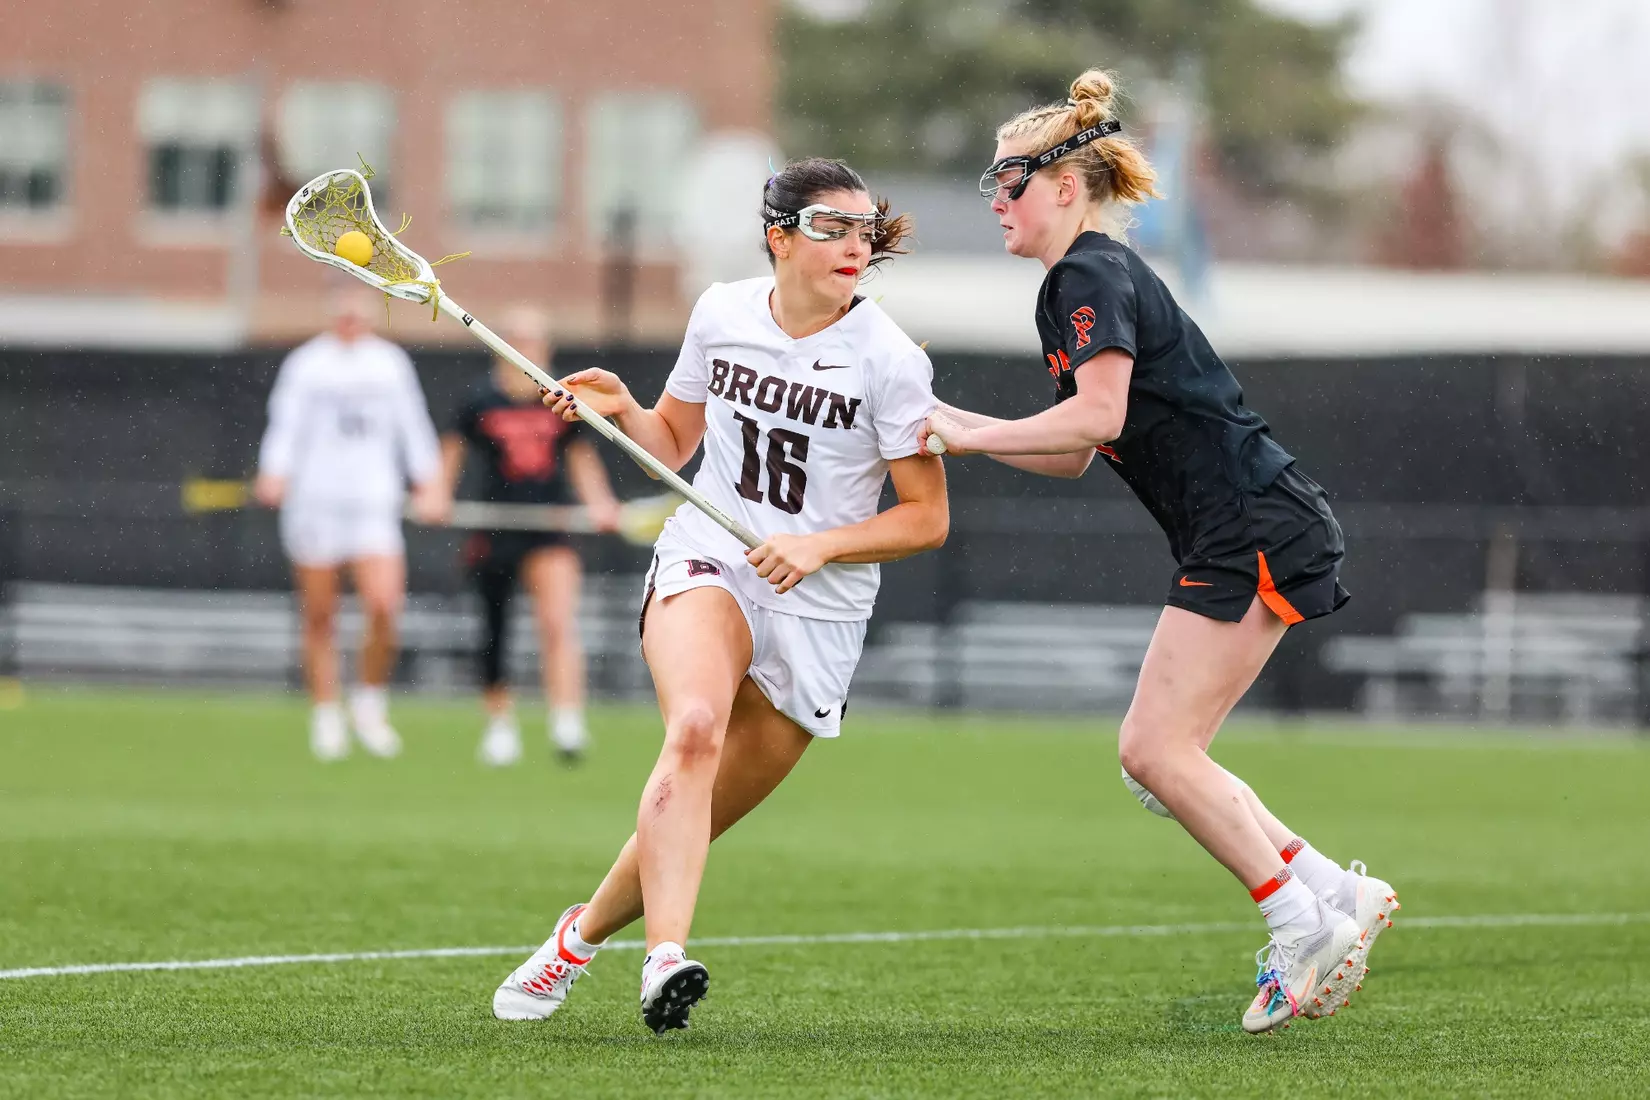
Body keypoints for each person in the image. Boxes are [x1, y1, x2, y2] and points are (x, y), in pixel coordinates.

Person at [923, 70, 1398, 1035]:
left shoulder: (1087, 273)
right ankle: (1323, 893)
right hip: (1249, 522)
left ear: (1066, 184)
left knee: (1153, 749)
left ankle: (1297, 918)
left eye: (1009, 181)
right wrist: (952, 425)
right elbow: (1076, 453)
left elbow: (1093, 414)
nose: (997, 201)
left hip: (1250, 522)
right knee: (1162, 759)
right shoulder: (1076, 285)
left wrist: (966, 434)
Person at [489, 158, 948, 1034]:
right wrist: (622, 407)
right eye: (831, 228)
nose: (855, 245)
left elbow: (926, 519)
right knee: (693, 728)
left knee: (694, 813)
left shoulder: (890, 360)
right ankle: (666, 959)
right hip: (712, 557)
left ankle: (571, 944)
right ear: (779, 235)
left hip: (820, 608)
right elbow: (672, 440)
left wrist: (820, 546)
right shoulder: (720, 313)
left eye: (864, 231)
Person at [255, 285, 444, 761]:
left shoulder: (390, 364)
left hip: (372, 504)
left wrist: (429, 482)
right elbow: (285, 425)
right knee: (321, 616)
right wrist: (274, 472)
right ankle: (325, 713)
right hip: (315, 503)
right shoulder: (305, 364)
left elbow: (413, 427)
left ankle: (369, 703)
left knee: (384, 605)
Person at [431, 308, 622, 766]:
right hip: (494, 528)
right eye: (515, 339)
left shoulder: (560, 401)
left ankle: (566, 722)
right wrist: (436, 495)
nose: (524, 350)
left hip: (548, 527)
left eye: (533, 341)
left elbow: (579, 458)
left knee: (558, 622)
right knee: (494, 632)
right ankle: (500, 727)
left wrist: (600, 502)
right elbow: (451, 454)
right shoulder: (479, 400)